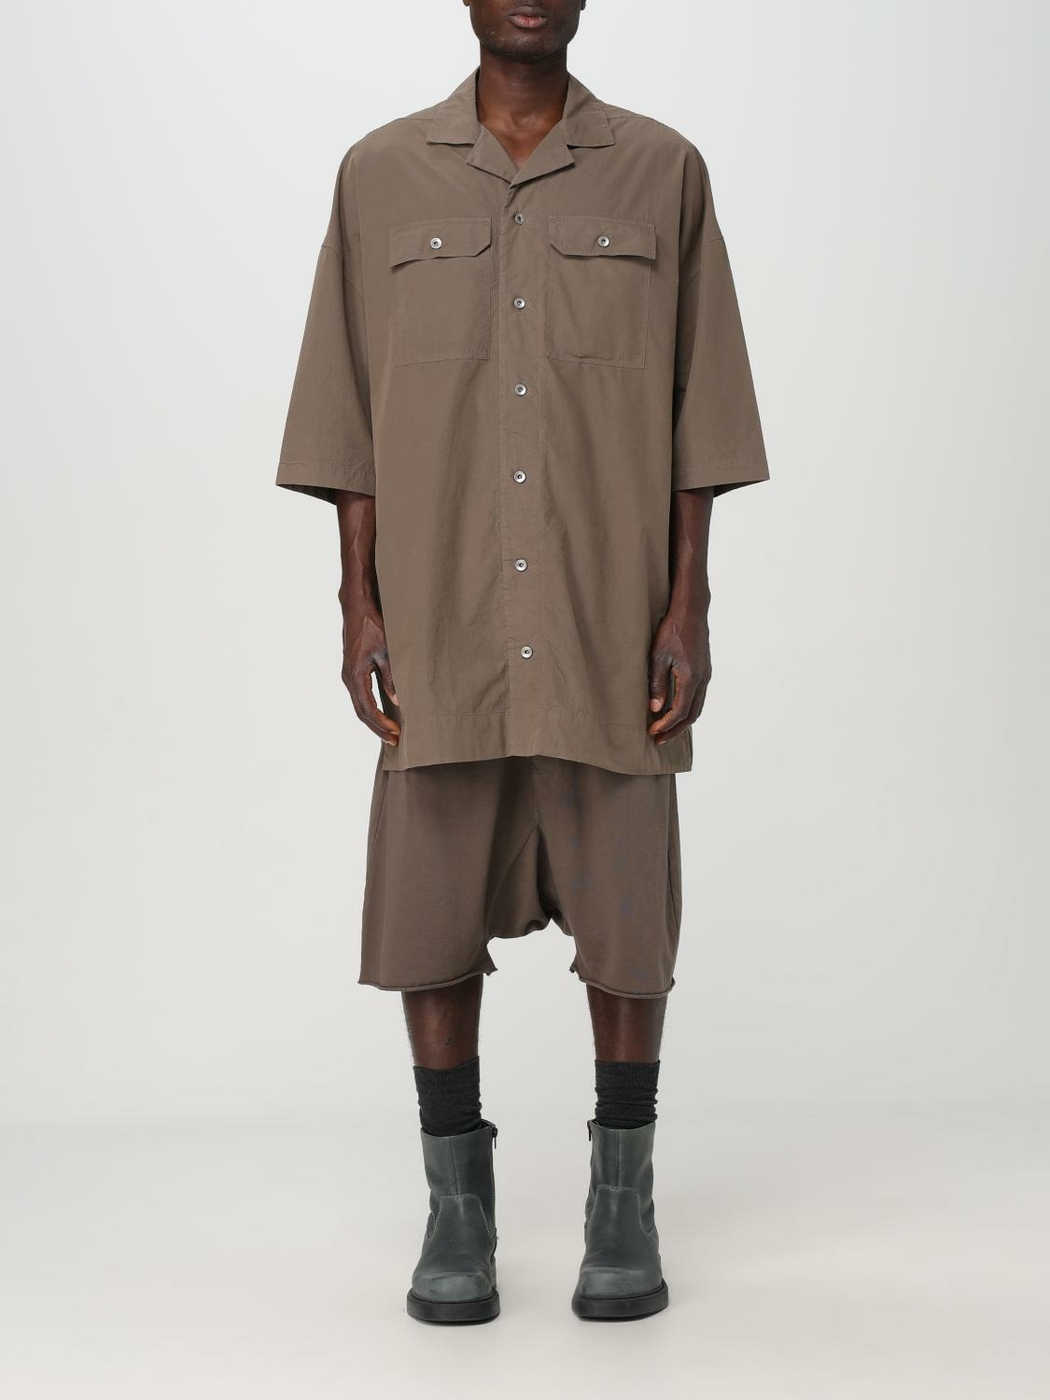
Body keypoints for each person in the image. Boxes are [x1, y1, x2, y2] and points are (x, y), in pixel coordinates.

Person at [275, 0, 768, 1325]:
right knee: (427, 915)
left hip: (609, 612)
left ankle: (623, 1198)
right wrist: (358, 605)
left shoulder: (661, 170)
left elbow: (703, 410)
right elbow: (345, 410)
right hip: (444, 613)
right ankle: (458, 1208)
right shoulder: (381, 173)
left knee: (630, 922)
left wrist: (687, 606)